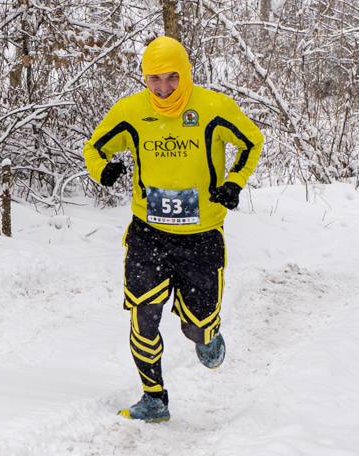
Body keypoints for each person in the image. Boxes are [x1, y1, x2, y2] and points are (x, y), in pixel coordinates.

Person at [84, 36, 264, 422]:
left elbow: (252, 141)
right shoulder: (132, 112)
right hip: (149, 234)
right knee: (142, 315)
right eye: (154, 80)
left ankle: (207, 335)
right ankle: (154, 398)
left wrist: (234, 182)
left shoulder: (214, 107)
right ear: (145, 79)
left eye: (171, 78)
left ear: (185, 74)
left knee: (194, 329)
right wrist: (104, 171)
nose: (163, 88)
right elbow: (94, 148)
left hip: (201, 238)